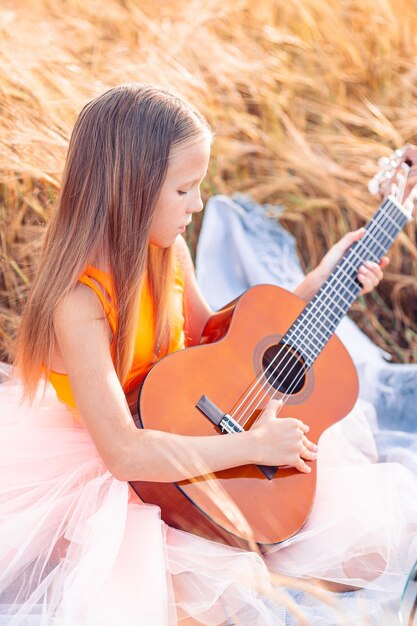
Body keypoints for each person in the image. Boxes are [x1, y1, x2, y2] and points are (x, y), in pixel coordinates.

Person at [1, 82, 416, 626]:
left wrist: (321, 282)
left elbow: (218, 337)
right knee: (208, 603)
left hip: (196, 428)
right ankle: (255, 572)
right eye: (184, 190)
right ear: (130, 190)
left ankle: (261, 558)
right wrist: (252, 444)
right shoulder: (79, 302)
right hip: (117, 473)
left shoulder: (165, 249)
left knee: (375, 550)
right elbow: (124, 453)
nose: (198, 204)